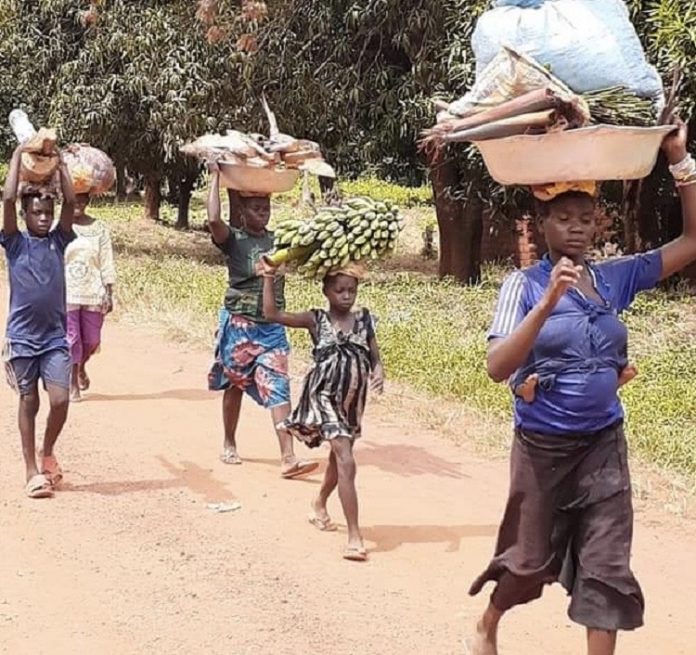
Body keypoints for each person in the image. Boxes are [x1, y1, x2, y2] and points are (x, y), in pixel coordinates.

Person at [468, 120, 696, 655]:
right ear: (542, 223)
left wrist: (681, 163)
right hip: (542, 449)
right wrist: (546, 303)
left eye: (586, 220)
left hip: (603, 446)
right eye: (564, 218)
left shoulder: (614, 277)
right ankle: (490, 619)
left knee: (608, 569)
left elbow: (693, 241)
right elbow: (497, 367)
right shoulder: (521, 286)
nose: (576, 228)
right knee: (527, 566)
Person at [260, 260, 385, 561]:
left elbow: (374, 353)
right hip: (324, 395)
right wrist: (268, 277)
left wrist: (379, 371)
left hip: (353, 399)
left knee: (337, 458)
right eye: (339, 290)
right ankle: (355, 536)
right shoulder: (316, 319)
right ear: (326, 291)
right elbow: (272, 314)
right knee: (346, 458)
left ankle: (319, 503)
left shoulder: (364, 318)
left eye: (351, 290)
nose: (346, 295)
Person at [205, 161, 317, 478]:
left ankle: (288, 457)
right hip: (239, 325)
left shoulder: (278, 242)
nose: (262, 214)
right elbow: (213, 218)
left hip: (271, 328)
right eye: (255, 209)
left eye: (265, 208)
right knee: (234, 384)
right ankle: (229, 441)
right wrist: (215, 176)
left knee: (279, 386)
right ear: (242, 213)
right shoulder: (234, 240)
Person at [1, 144, 76, 499]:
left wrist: (60, 165)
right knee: (29, 401)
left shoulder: (59, 241)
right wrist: (17, 156)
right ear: (26, 214)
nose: (44, 218)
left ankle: (47, 453)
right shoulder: (15, 242)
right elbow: (7, 199)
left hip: (53, 337)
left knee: (60, 400)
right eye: (37, 213)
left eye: (48, 212)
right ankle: (31, 469)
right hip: (22, 338)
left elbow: (72, 204)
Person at [64, 191, 116, 402]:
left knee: (91, 340)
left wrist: (110, 291)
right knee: (71, 339)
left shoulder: (99, 229)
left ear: (88, 201)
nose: (79, 203)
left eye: (83, 199)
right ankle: (72, 383)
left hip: (93, 291)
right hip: (66, 291)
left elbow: (106, 260)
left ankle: (81, 366)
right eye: (74, 198)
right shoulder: (60, 227)